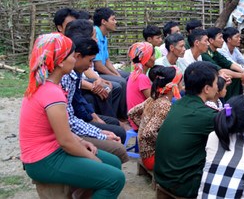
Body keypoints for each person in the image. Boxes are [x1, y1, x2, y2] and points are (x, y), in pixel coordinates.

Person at [19, 33, 125, 198]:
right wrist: (92, 158)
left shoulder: (46, 86)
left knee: (114, 162)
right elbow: (65, 141)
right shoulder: (52, 93)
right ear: (60, 61)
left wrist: (82, 141)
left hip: (52, 151)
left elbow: (63, 132)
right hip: (44, 160)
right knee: (115, 179)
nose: (74, 59)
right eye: (71, 56)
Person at [154, 61, 219, 198]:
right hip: (183, 184)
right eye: (216, 83)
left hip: (162, 176)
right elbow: (234, 131)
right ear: (207, 89)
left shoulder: (178, 104)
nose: (218, 87)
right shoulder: (205, 115)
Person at [60, 35, 129, 163]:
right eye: (70, 56)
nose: (91, 65)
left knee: (114, 128)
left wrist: (98, 126)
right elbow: (69, 123)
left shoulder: (72, 76)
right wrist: (99, 133)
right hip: (68, 135)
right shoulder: (63, 80)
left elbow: (71, 117)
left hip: (74, 128)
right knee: (118, 140)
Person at [128, 65, 182, 170]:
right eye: (180, 82)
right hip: (153, 158)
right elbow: (148, 132)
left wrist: (142, 126)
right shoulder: (165, 105)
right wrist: (165, 143)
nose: (182, 85)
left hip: (145, 154)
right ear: (174, 85)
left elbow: (132, 113)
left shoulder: (153, 98)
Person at [202, 27, 244, 99]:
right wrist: (241, 75)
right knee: (229, 77)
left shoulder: (215, 52)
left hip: (217, 74)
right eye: (220, 38)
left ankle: (236, 100)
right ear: (211, 40)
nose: (222, 41)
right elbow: (220, 70)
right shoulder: (205, 53)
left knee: (235, 73)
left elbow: (229, 63)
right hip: (209, 78)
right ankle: (227, 102)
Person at [93, 7, 130, 93]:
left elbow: (106, 61)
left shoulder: (104, 36)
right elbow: (98, 65)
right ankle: (123, 107)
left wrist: (117, 74)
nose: (115, 22)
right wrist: (115, 75)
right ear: (104, 21)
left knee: (129, 76)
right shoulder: (95, 35)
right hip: (96, 72)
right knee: (121, 81)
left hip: (102, 69)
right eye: (113, 19)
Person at [126, 42, 155, 129]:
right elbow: (154, 100)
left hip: (135, 119)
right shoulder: (142, 78)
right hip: (140, 122)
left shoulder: (134, 74)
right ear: (146, 58)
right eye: (152, 55)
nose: (155, 58)